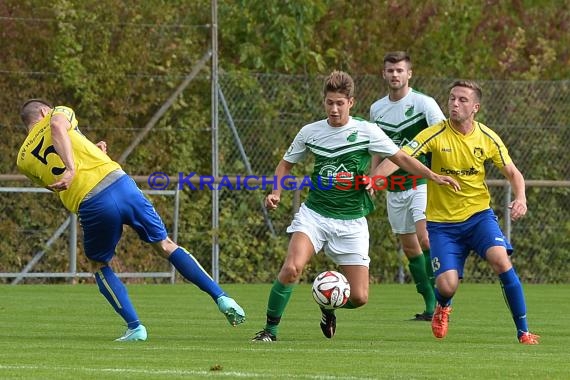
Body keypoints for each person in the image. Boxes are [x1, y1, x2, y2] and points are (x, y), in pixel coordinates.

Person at [251, 70, 459, 342]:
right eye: (329, 103)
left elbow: (401, 157)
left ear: (351, 102)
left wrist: (431, 175)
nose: (334, 109)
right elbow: (285, 164)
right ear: (324, 102)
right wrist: (276, 191)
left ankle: (327, 305)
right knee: (292, 268)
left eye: (340, 103)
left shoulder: (367, 131)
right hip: (315, 215)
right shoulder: (310, 132)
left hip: (351, 222)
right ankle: (270, 330)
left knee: (359, 297)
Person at [16, 99, 245, 342]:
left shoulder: (22, 160)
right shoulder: (58, 112)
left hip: (92, 203)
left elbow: (57, 183)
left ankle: (135, 327)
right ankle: (221, 296)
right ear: (44, 111)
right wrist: (73, 167)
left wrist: (86, 156)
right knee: (166, 245)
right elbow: (57, 128)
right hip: (121, 185)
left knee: (98, 265)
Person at [388, 80, 539, 344]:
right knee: (447, 286)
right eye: (451, 99)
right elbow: (401, 156)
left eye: (462, 100)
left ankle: (523, 331)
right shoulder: (434, 133)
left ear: (475, 107)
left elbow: (514, 173)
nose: (454, 104)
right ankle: (442, 306)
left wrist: (521, 198)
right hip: (442, 224)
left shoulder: (487, 137)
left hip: (478, 217)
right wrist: (378, 180)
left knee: (501, 261)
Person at [370, 51, 446, 321]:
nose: (395, 75)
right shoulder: (377, 109)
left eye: (400, 70)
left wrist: (440, 175)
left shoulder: (424, 104)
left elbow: (443, 139)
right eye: (390, 70)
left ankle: (441, 300)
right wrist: (373, 179)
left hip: (421, 183)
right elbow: (376, 149)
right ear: (384, 74)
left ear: (409, 74)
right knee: (410, 248)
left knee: (426, 239)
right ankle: (428, 306)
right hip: (394, 187)